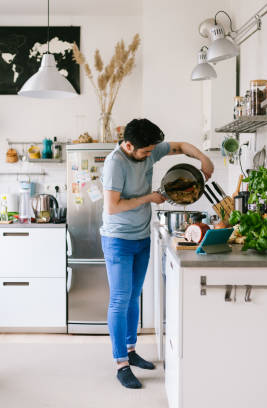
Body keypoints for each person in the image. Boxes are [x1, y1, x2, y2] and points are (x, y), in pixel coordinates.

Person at [100, 118, 214, 389]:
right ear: (128, 145)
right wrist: (149, 198)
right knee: (119, 299)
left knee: (133, 296)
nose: (151, 154)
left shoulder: (148, 148)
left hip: (141, 236)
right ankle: (121, 364)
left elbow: (181, 146)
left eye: (152, 149)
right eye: (145, 151)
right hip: (117, 238)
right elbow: (112, 207)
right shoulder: (115, 163)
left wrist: (204, 159)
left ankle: (130, 350)